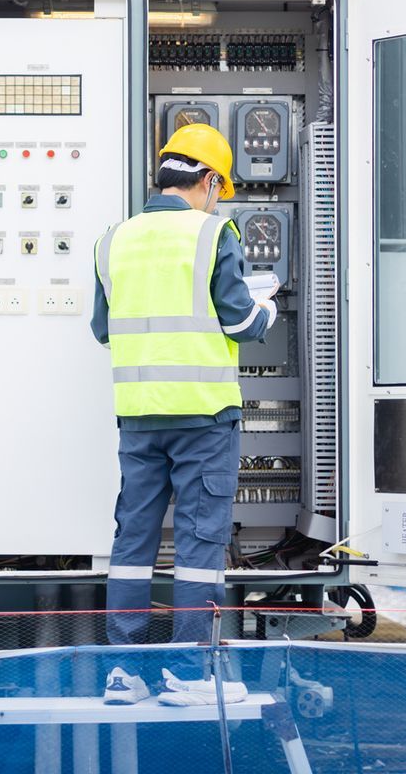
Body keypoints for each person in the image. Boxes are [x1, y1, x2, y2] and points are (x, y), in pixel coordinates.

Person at [89, 123, 277, 706]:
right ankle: (194, 676)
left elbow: (103, 329)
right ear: (209, 180)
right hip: (204, 418)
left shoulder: (113, 239)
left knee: (134, 541)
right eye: (220, 187)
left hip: (140, 417)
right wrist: (265, 305)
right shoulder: (212, 234)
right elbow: (242, 323)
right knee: (198, 544)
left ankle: (123, 673)